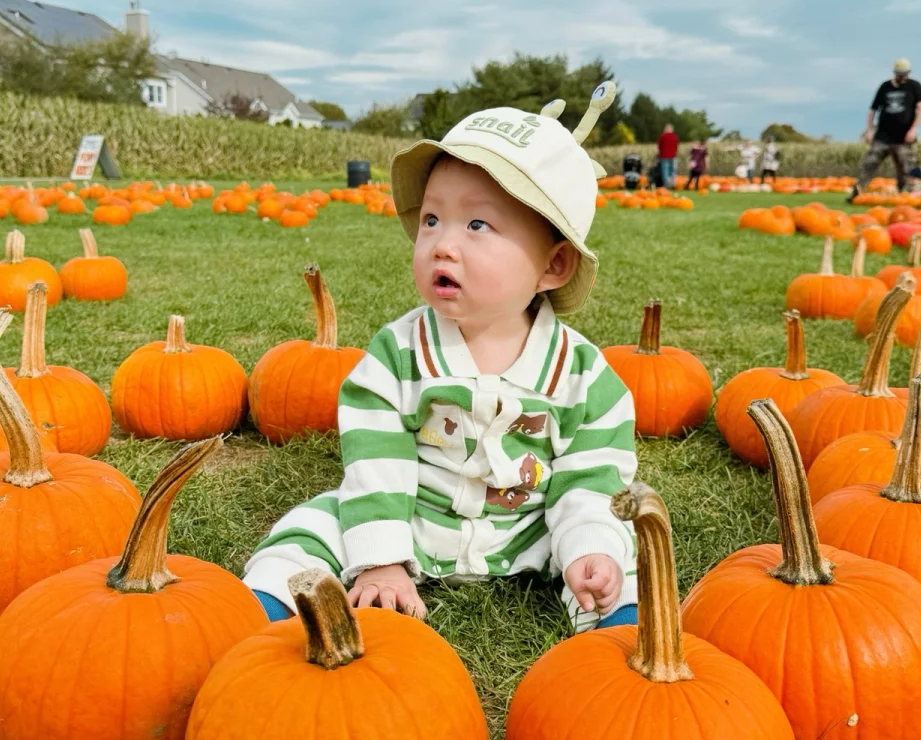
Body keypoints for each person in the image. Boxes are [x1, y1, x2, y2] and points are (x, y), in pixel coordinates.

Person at [243, 84, 639, 634]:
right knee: (314, 524)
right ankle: (261, 609)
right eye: (432, 219)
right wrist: (381, 555)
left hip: (532, 527)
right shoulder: (397, 353)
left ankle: (616, 623)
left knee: (617, 552)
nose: (442, 245)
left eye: (477, 225)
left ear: (553, 266)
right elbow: (376, 461)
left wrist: (587, 547)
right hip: (409, 513)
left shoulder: (584, 376)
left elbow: (591, 477)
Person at [849, 58, 921, 200]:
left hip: (903, 136)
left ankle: (904, 193)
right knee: (870, 162)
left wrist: (913, 129)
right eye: (899, 74)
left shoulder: (914, 86)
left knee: (905, 166)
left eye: (904, 74)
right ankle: (857, 190)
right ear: (895, 73)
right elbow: (873, 109)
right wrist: (869, 130)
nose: (902, 77)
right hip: (882, 135)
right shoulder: (885, 87)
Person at [657, 123, 679, 189]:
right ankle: (672, 183)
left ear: (665, 129)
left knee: (665, 171)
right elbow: (676, 146)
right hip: (673, 156)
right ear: (672, 129)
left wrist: (659, 155)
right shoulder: (675, 137)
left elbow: (659, 146)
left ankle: (666, 185)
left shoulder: (662, 136)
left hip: (664, 156)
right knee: (672, 171)